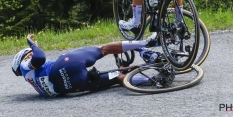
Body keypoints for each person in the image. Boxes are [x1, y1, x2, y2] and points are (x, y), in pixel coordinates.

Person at [12, 33, 162, 97]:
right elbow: (40, 58)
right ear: (24, 56)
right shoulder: (25, 66)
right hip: (64, 65)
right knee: (103, 50)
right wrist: (32, 45)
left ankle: (154, 80)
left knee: (118, 76)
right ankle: (146, 44)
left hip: (73, 85)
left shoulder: (37, 87)